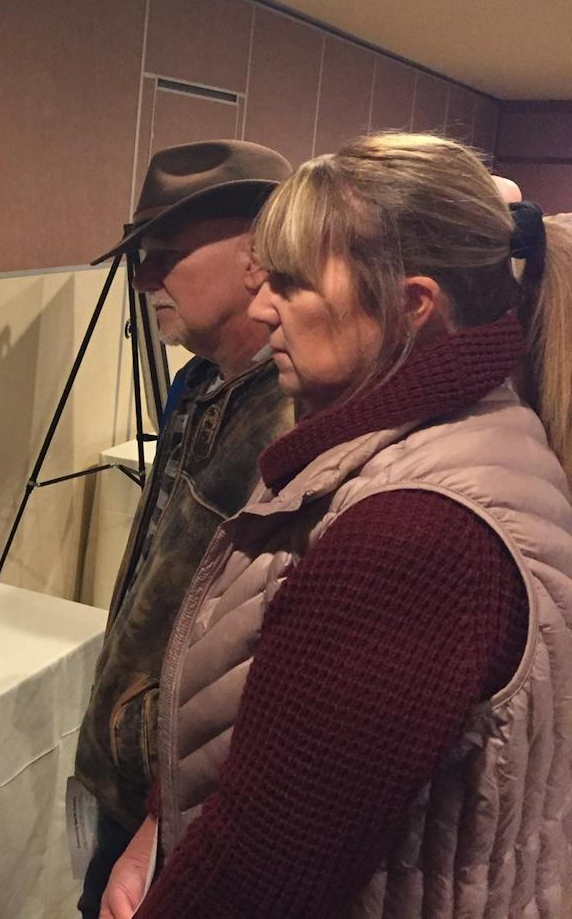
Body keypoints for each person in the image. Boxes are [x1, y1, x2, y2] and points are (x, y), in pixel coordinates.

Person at [102, 132, 572, 917]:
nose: (262, 307)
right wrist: (162, 817)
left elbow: (262, 875)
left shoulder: (412, 540)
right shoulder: (463, 445)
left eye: (288, 282)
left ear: (412, 306)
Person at [74, 140, 294, 915]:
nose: (142, 279)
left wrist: (166, 820)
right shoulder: (198, 383)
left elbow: (258, 661)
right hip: (140, 784)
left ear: (259, 257)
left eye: (164, 255)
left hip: (189, 806)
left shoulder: (294, 419)